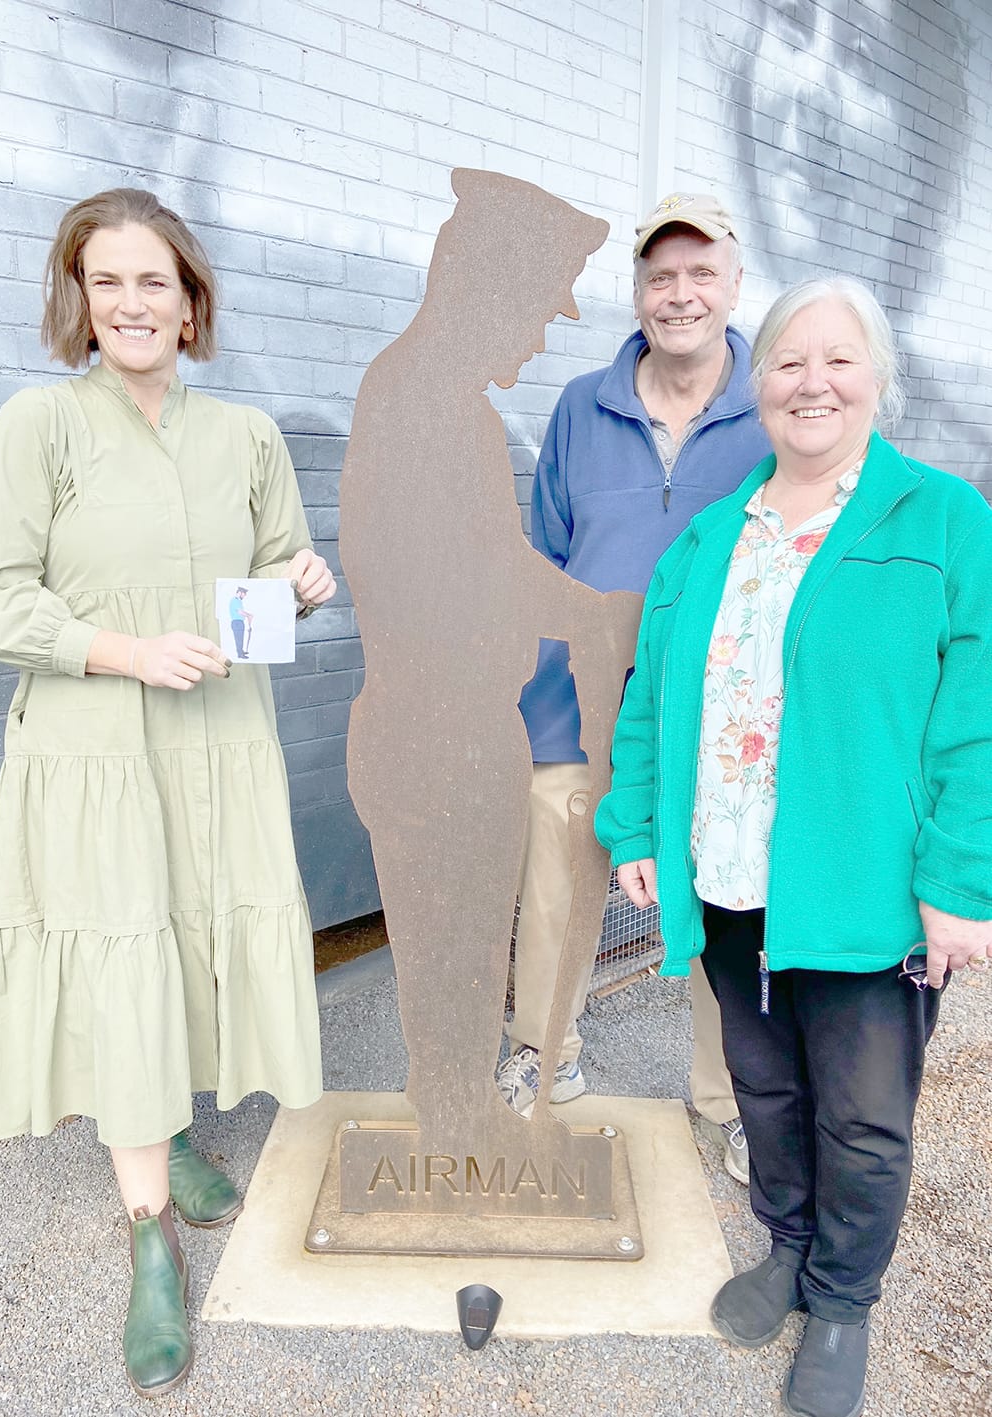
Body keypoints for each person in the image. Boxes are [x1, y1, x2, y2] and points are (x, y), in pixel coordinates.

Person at [0, 188, 336, 1398]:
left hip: (218, 743)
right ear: (78, 296)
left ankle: (166, 1120)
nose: (132, 303)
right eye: (107, 281)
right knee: (127, 948)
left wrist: (305, 582)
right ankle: (147, 1234)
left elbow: (274, 571)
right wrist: (124, 650)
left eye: (153, 281)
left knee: (189, 943)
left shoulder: (248, 437)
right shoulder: (37, 426)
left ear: (191, 298)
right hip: (96, 754)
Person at [595, 275, 992, 1417]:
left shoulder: (942, 520)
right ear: (756, 383)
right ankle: (785, 1242)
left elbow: (974, 715)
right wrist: (634, 825)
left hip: (865, 890)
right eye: (786, 361)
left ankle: (842, 1298)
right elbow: (650, 696)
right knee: (763, 1088)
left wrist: (960, 882)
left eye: (837, 359)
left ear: (875, 379)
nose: (810, 381)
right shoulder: (712, 536)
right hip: (729, 876)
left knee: (862, 1113)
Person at [341, 169, 638, 1166]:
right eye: (536, 306)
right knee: (452, 970)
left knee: (466, 970)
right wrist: (576, 614)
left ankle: (460, 1133)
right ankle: (456, 1144)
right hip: (437, 745)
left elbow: (493, 561)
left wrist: (588, 612)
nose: (541, 333)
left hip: (463, 738)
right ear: (484, 286)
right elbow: (424, 583)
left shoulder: (442, 403)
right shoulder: (420, 399)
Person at [499, 193, 770, 1185]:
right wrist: (539, 701)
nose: (680, 293)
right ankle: (543, 1054)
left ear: (735, 285)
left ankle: (729, 1098)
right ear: (638, 291)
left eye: (702, 272)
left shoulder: (770, 414)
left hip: (714, 720)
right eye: (662, 275)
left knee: (722, 905)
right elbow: (545, 554)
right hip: (581, 706)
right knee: (558, 890)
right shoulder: (582, 406)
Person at [229, 584, 252, 658]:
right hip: (237, 622)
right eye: (244, 594)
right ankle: (240, 654)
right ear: (240, 593)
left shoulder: (238, 601)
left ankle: (241, 652)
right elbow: (240, 612)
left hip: (239, 622)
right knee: (238, 638)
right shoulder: (235, 600)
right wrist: (249, 615)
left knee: (240, 638)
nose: (244, 596)